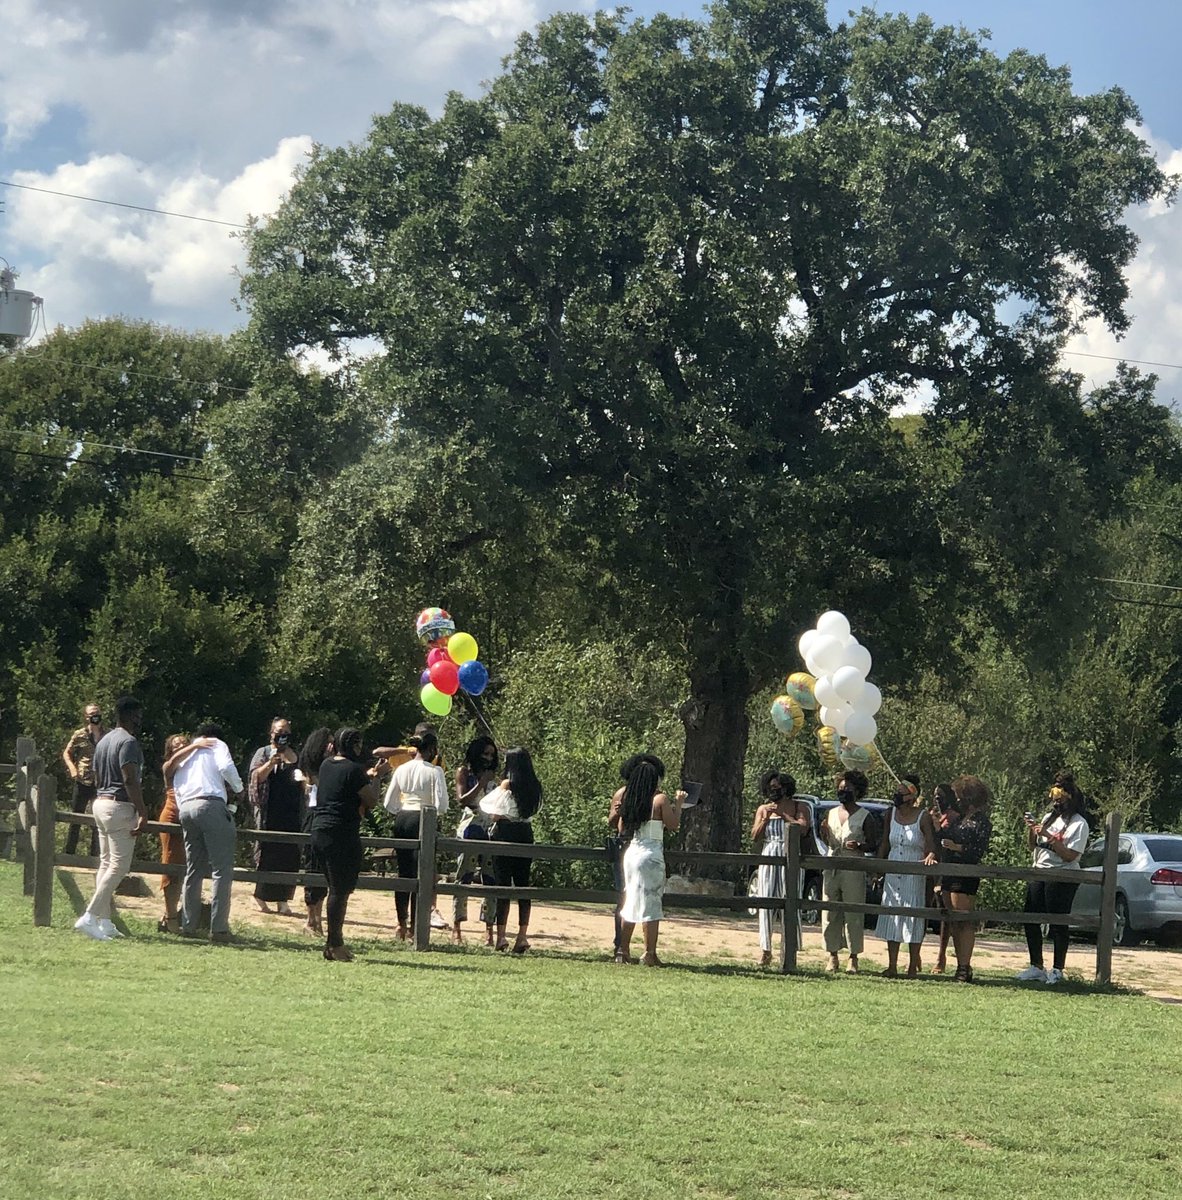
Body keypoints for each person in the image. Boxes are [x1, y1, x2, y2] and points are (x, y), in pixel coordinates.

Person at [310, 727, 389, 961]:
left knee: (335, 888)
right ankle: (335, 945)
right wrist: (379, 777)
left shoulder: (326, 765)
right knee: (339, 890)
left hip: (319, 830)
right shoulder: (353, 770)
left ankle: (332, 943)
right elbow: (371, 800)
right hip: (340, 833)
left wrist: (369, 776)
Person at [74, 695, 148, 941]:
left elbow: (96, 772)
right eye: (136, 716)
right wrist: (142, 811)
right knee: (119, 865)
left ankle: (104, 921)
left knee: (106, 863)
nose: (139, 721)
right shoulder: (128, 742)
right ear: (127, 715)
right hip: (119, 805)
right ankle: (89, 915)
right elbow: (129, 779)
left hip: (100, 802)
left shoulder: (104, 741)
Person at [1017, 770, 1090, 985]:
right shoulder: (1049, 818)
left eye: (1059, 797)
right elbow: (1033, 845)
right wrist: (1033, 829)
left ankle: (1058, 969)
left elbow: (1070, 855)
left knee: (1058, 922)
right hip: (1039, 870)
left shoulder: (1079, 823)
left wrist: (1050, 838)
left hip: (1062, 875)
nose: (1055, 802)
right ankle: (1036, 966)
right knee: (1030, 918)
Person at [174, 724, 244, 944]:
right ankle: (219, 928)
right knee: (221, 869)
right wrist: (239, 789)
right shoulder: (216, 745)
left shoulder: (186, 752)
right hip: (210, 804)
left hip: (186, 807)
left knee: (194, 868)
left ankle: (188, 924)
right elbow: (225, 767)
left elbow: (177, 782)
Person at [614, 754, 684, 966]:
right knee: (651, 902)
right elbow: (673, 824)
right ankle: (649, 953)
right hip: (651, 854)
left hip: (632, 853)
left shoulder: (630, 799)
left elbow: (621, 828)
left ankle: (623, 950)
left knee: (630, 900)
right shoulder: (659, 800)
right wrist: (679, 804)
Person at [382, 729, 449, 941]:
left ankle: (401, 924)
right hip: (423, 819)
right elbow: (443, 805)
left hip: (403, 818)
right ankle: (415, 925)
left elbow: (389, 804)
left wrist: (403, 807)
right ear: (431, 749)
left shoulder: (401, 769)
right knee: (422, 873)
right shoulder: (435, 771)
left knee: (404, 873)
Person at [873, 775, 938, 977]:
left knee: (913, 914)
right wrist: (878, 867)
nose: (896, 796)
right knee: (892, 914)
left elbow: (930, 843)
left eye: (900, 793)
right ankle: (891, 964)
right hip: (894, 868)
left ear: (911, 796)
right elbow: (885, 841)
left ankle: (912, 966)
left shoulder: (923, 816)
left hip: (913, 870)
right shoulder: (890, 814)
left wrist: (930, 856)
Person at [481, 746, 543, 954]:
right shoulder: (535, 786)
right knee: (523, 885)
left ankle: (501, 936)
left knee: (503, 885)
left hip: (506, 832)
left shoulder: (507, 784)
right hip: (525, 833)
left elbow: (493, 812)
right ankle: (522, 935)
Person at [819, 769, 879, 974]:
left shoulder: (865, 816)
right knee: (829, 908)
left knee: (853, 910)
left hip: (854, 864)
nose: (843, 792)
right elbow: (828, 840)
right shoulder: (832, 812)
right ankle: (832, 955)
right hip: (832, 862)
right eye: (841, 788)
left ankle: (853, 957)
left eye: (848, 789)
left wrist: (860, 846)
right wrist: (824, 833)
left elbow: (873, 844)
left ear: (857, 791)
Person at [157, 733, 218, 934]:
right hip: (173, 817)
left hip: (190, 819)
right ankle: (172, 918)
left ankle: (172, 914)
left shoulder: (196, 768)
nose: (182, 746)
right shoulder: (169, 767)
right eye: (177, 745)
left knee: (188, 868)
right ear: (170, 751)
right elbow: (174, 761)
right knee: (171, 867)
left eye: (185, 743)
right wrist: (195, 746)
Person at [750, 769, 810, 967]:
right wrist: (766, 818)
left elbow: (803, 828)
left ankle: (790, 949)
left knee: (791, 902)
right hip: (769, 853)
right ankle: (765, 950)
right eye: (770, 788)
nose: (773, 791)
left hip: (791, 855)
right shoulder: (763, 809)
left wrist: (783, 815)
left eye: (777, 788)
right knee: (766, 902)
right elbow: (754, 836)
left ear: (786, 788)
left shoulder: (798, 806)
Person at [939, 775, 993, 983]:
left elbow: (978, 851)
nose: (958, 800)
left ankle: (964, 966)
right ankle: (959, 964)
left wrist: (956, 847)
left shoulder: (981, 821)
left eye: (960, 796)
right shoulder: (958, 817)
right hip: (950, 871)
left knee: (963, 920)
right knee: (953, 921)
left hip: (966, 873)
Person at [248, 716, 303, 915]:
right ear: (271, 733)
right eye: (279, 732)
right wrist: (271, 763)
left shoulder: (295, 755)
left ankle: (283, 898)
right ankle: (261, 895)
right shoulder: (262, 752)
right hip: (270, 812)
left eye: (286, 733)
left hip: (291, 812)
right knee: (268, 855)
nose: (283, 736)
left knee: (289, 856)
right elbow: (256, 777)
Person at [452, 736, 498, 945]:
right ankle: (457, 926)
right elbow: (462, 800)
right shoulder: (464, 772)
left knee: (490, 879)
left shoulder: (495, 777)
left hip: (490, 829)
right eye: (485, 753)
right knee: (464, 876)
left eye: (491, 754)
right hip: (470, 827)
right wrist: (481, 783)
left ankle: (489, 928)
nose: (488, 758)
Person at [298, 727, 334, 937]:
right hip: (314, 814)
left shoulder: (332, 765)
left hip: (326, 814)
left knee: (324, 869)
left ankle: (318, 919)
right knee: (312, 865)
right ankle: (312, 919)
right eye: (328, 742)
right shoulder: (311, 770)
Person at [61, 701, 105, 858]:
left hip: (101, 783)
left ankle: (94, 856)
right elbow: (67, 753)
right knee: (76, 817)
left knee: (98, 820)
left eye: (97, 713)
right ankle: (69, 854)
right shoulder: (80, 735)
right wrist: (72, 768)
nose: (95, 716)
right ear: (86, 717)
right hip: (83, 781)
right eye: (92, 714)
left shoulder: (109, 735)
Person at [928, 782, 958, 974]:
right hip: (931, 865)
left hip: (947, 867)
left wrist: (938, 825)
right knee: (929, 910)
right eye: (935, 795)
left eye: (941, 795)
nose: (937, 798)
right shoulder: (932, 814)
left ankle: (943, 955)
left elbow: (947, 839)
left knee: (947, 914)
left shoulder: (954, 817)